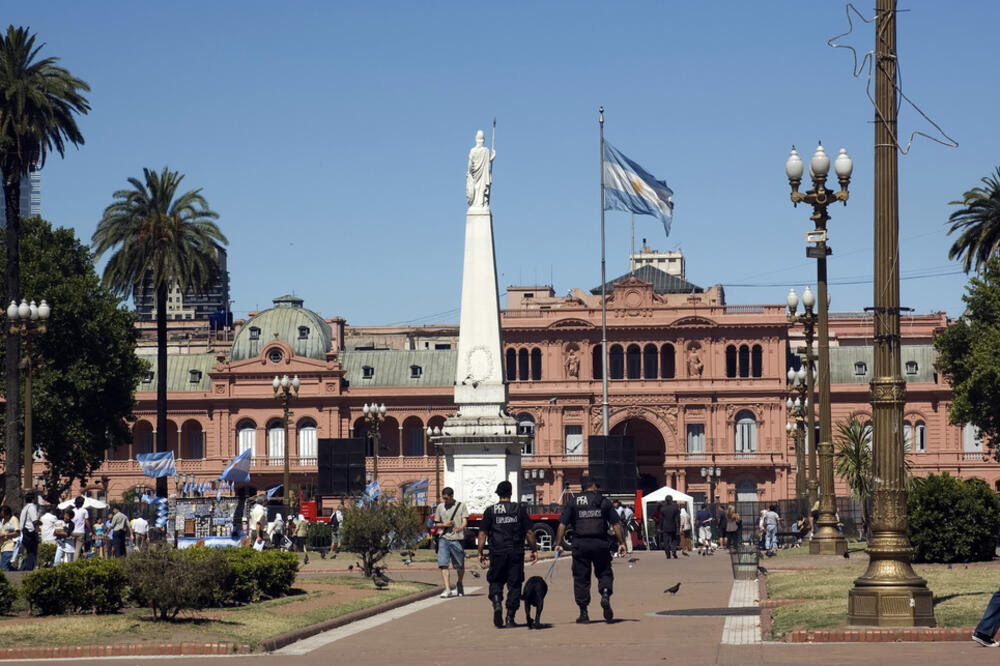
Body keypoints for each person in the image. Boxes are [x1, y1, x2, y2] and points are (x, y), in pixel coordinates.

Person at [554, 476, 626, 623]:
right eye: (596, 486)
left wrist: (558, 543)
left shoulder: (573, 502)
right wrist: (621, 542)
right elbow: (616, 525)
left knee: (581, 578)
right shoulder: (603, 501)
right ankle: (605, 593)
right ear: (593, 486)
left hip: (580, 544)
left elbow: (562, 525)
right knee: (604, 572)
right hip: (600, 543)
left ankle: (584, 612)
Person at [477, 480, 538, 628]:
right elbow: (529, 532)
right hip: (515, 552)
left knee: (496, 580)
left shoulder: (490, 511)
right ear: (511, 493)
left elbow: (482, 533)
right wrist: (534, 549)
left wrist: (480, 552)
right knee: (515, 584)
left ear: (498, 494)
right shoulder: (519, 509)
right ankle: (510, 616)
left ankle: (497, 602)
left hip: (497, 552)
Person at [434, 487, 468, 598]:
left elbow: (465, 520)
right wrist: (444, 525)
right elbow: (436, 524)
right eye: (443, 498)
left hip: (457, 538)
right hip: (444, 538)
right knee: (443, 564)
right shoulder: (440, 507)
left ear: (452, 496)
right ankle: (448, 589)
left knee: (460, 565)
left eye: (447, 498)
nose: (445, 501)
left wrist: (461, 528)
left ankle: (460, 582)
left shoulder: (461, 505)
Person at [466, 129, 495, 208]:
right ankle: (481, 204)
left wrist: (468, 172)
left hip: (476, 175)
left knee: (476, 188)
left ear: (476, 139)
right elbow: (488, 161)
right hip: (482, 176)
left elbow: (470, 164)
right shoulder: (486, 151)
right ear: (483, 140)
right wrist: (492, 157)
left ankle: (476, 205)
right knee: (481, 188)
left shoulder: (473, 151)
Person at [19, 491, 41, 571]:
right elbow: (35, 521)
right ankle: (29, 569)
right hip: (30, 532)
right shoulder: (32, 507)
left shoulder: (25, 507)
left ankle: (23, 568)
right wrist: (40, 523)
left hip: (24, 531)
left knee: (28, 552)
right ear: (33, 499)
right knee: (32, 552)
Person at [0, 506, 19, 571]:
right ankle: (18, 574)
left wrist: (5, 535)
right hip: (3, 546)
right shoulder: (3, 521)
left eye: (5, 515)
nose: (4, 517)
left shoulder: (13, 519)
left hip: (10, 545)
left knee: (4, 566)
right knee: (5, 566)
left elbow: (17, 533)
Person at [70, 496, 89, 563]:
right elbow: (86, 521)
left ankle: (70, 560)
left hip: (72, 531)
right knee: (78, 549)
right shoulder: (84, 511)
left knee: (72, 548)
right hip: (80, 531)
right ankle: (75, 562)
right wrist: (91, 530)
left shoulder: (72, 511)